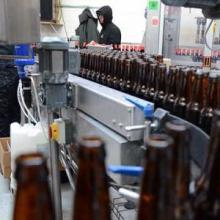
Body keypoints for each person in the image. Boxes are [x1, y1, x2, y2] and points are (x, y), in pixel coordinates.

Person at [0, 45, 20, 137]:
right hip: (8, 67)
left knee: (11, 111)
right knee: (8, 113)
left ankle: (8, 145)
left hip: (10, 66)